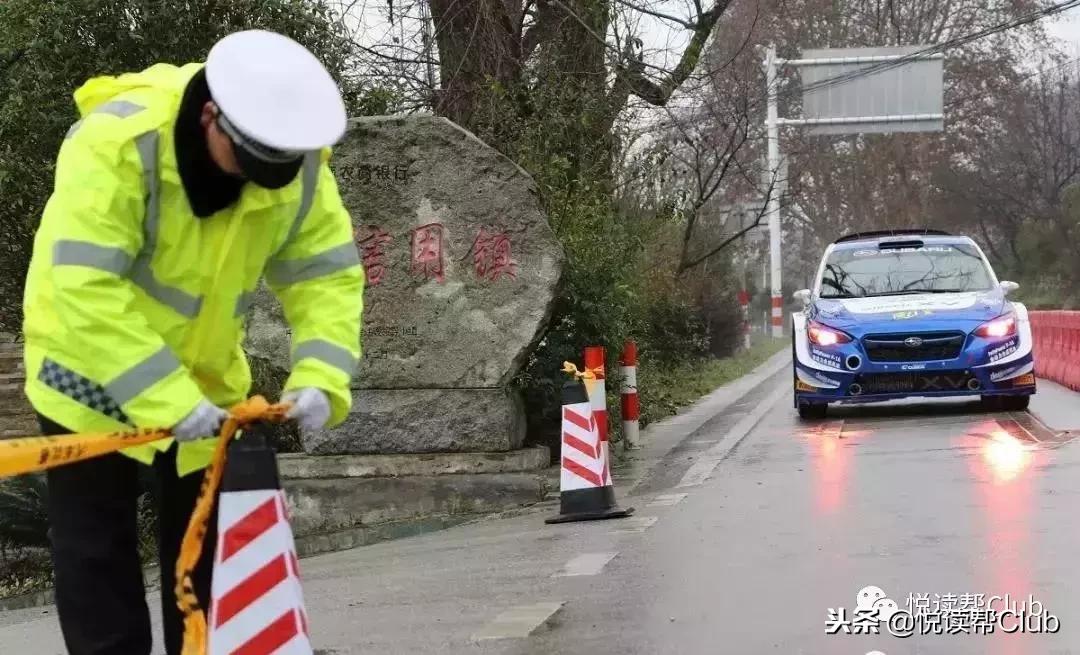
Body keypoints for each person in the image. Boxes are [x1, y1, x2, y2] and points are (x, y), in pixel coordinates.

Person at [20, 30, 364, 655]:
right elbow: (84, 285)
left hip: (206, 389)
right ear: (211, 116)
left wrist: (322, 374)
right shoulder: (120, 145)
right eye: (250, 167)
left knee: (214, 567)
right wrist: (164, 396)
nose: (262, 186)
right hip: (87, 382)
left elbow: (326, 276)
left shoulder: (294, 163)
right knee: (97, 561)